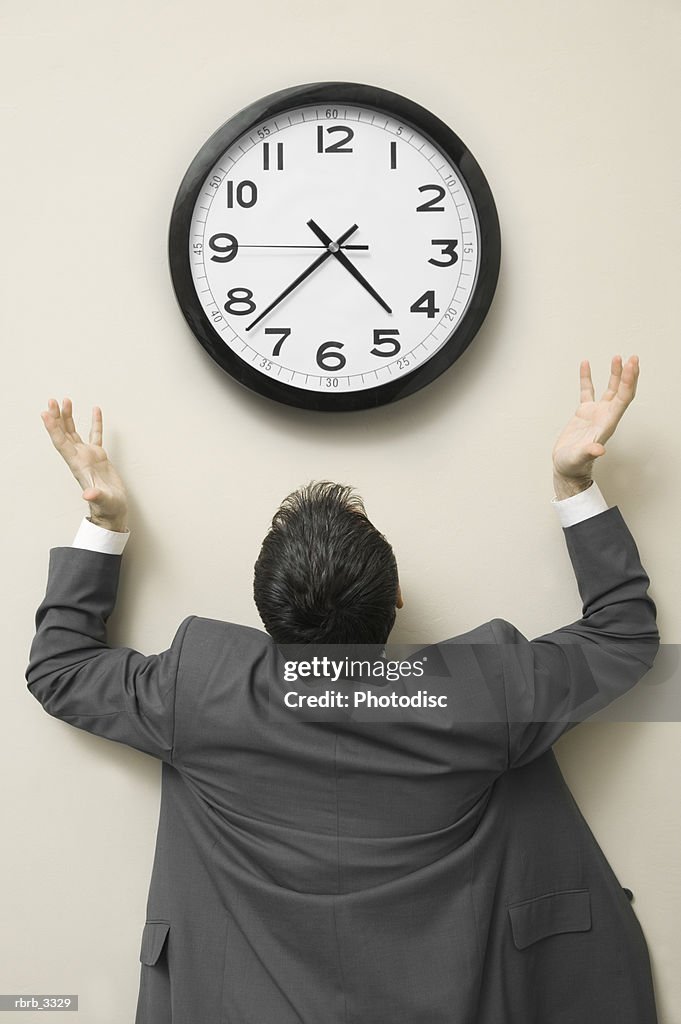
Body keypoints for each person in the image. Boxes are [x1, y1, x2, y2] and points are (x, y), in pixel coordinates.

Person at [26, 354, 660, 1023]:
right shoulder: (480, 692)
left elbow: (60, 669)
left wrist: (105, 523)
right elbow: (623, 635)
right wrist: (573, 481)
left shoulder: (201, 688)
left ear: (265, 614)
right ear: (396, 599)